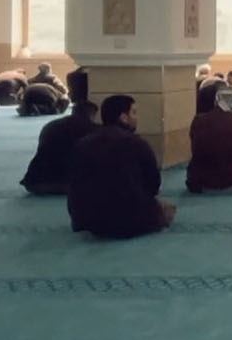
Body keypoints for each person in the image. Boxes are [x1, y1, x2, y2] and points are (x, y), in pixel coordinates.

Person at [67, 95, 176, 239]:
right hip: (130, 221)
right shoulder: (137, 143)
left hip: (88, 220)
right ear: (124, 118)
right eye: (134, 113)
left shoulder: (82, 144)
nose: (137, 118)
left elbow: (74, 185)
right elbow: (153, 184)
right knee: (168, 209)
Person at [20, 101, 99, 195]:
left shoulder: (51, 125)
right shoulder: (93, 130)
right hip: (63, 183)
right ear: (92, 115)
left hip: (33, 183)